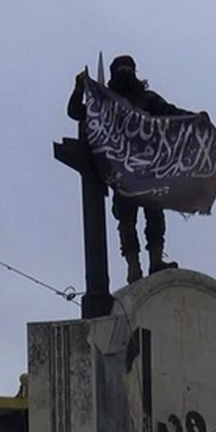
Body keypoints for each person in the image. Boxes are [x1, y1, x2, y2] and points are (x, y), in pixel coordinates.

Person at [67, 55, 195, 283]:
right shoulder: (106, 103)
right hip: (121, 167)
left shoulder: (148, 99)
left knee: (155, 213)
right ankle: (133, 267)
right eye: (120, 69)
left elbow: (172, 113)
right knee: (126, 219)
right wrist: (79, 90)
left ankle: (155, 261)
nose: (124, 72)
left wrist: (195, 119)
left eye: (128, 69)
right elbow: (76, 112)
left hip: (148, 167)